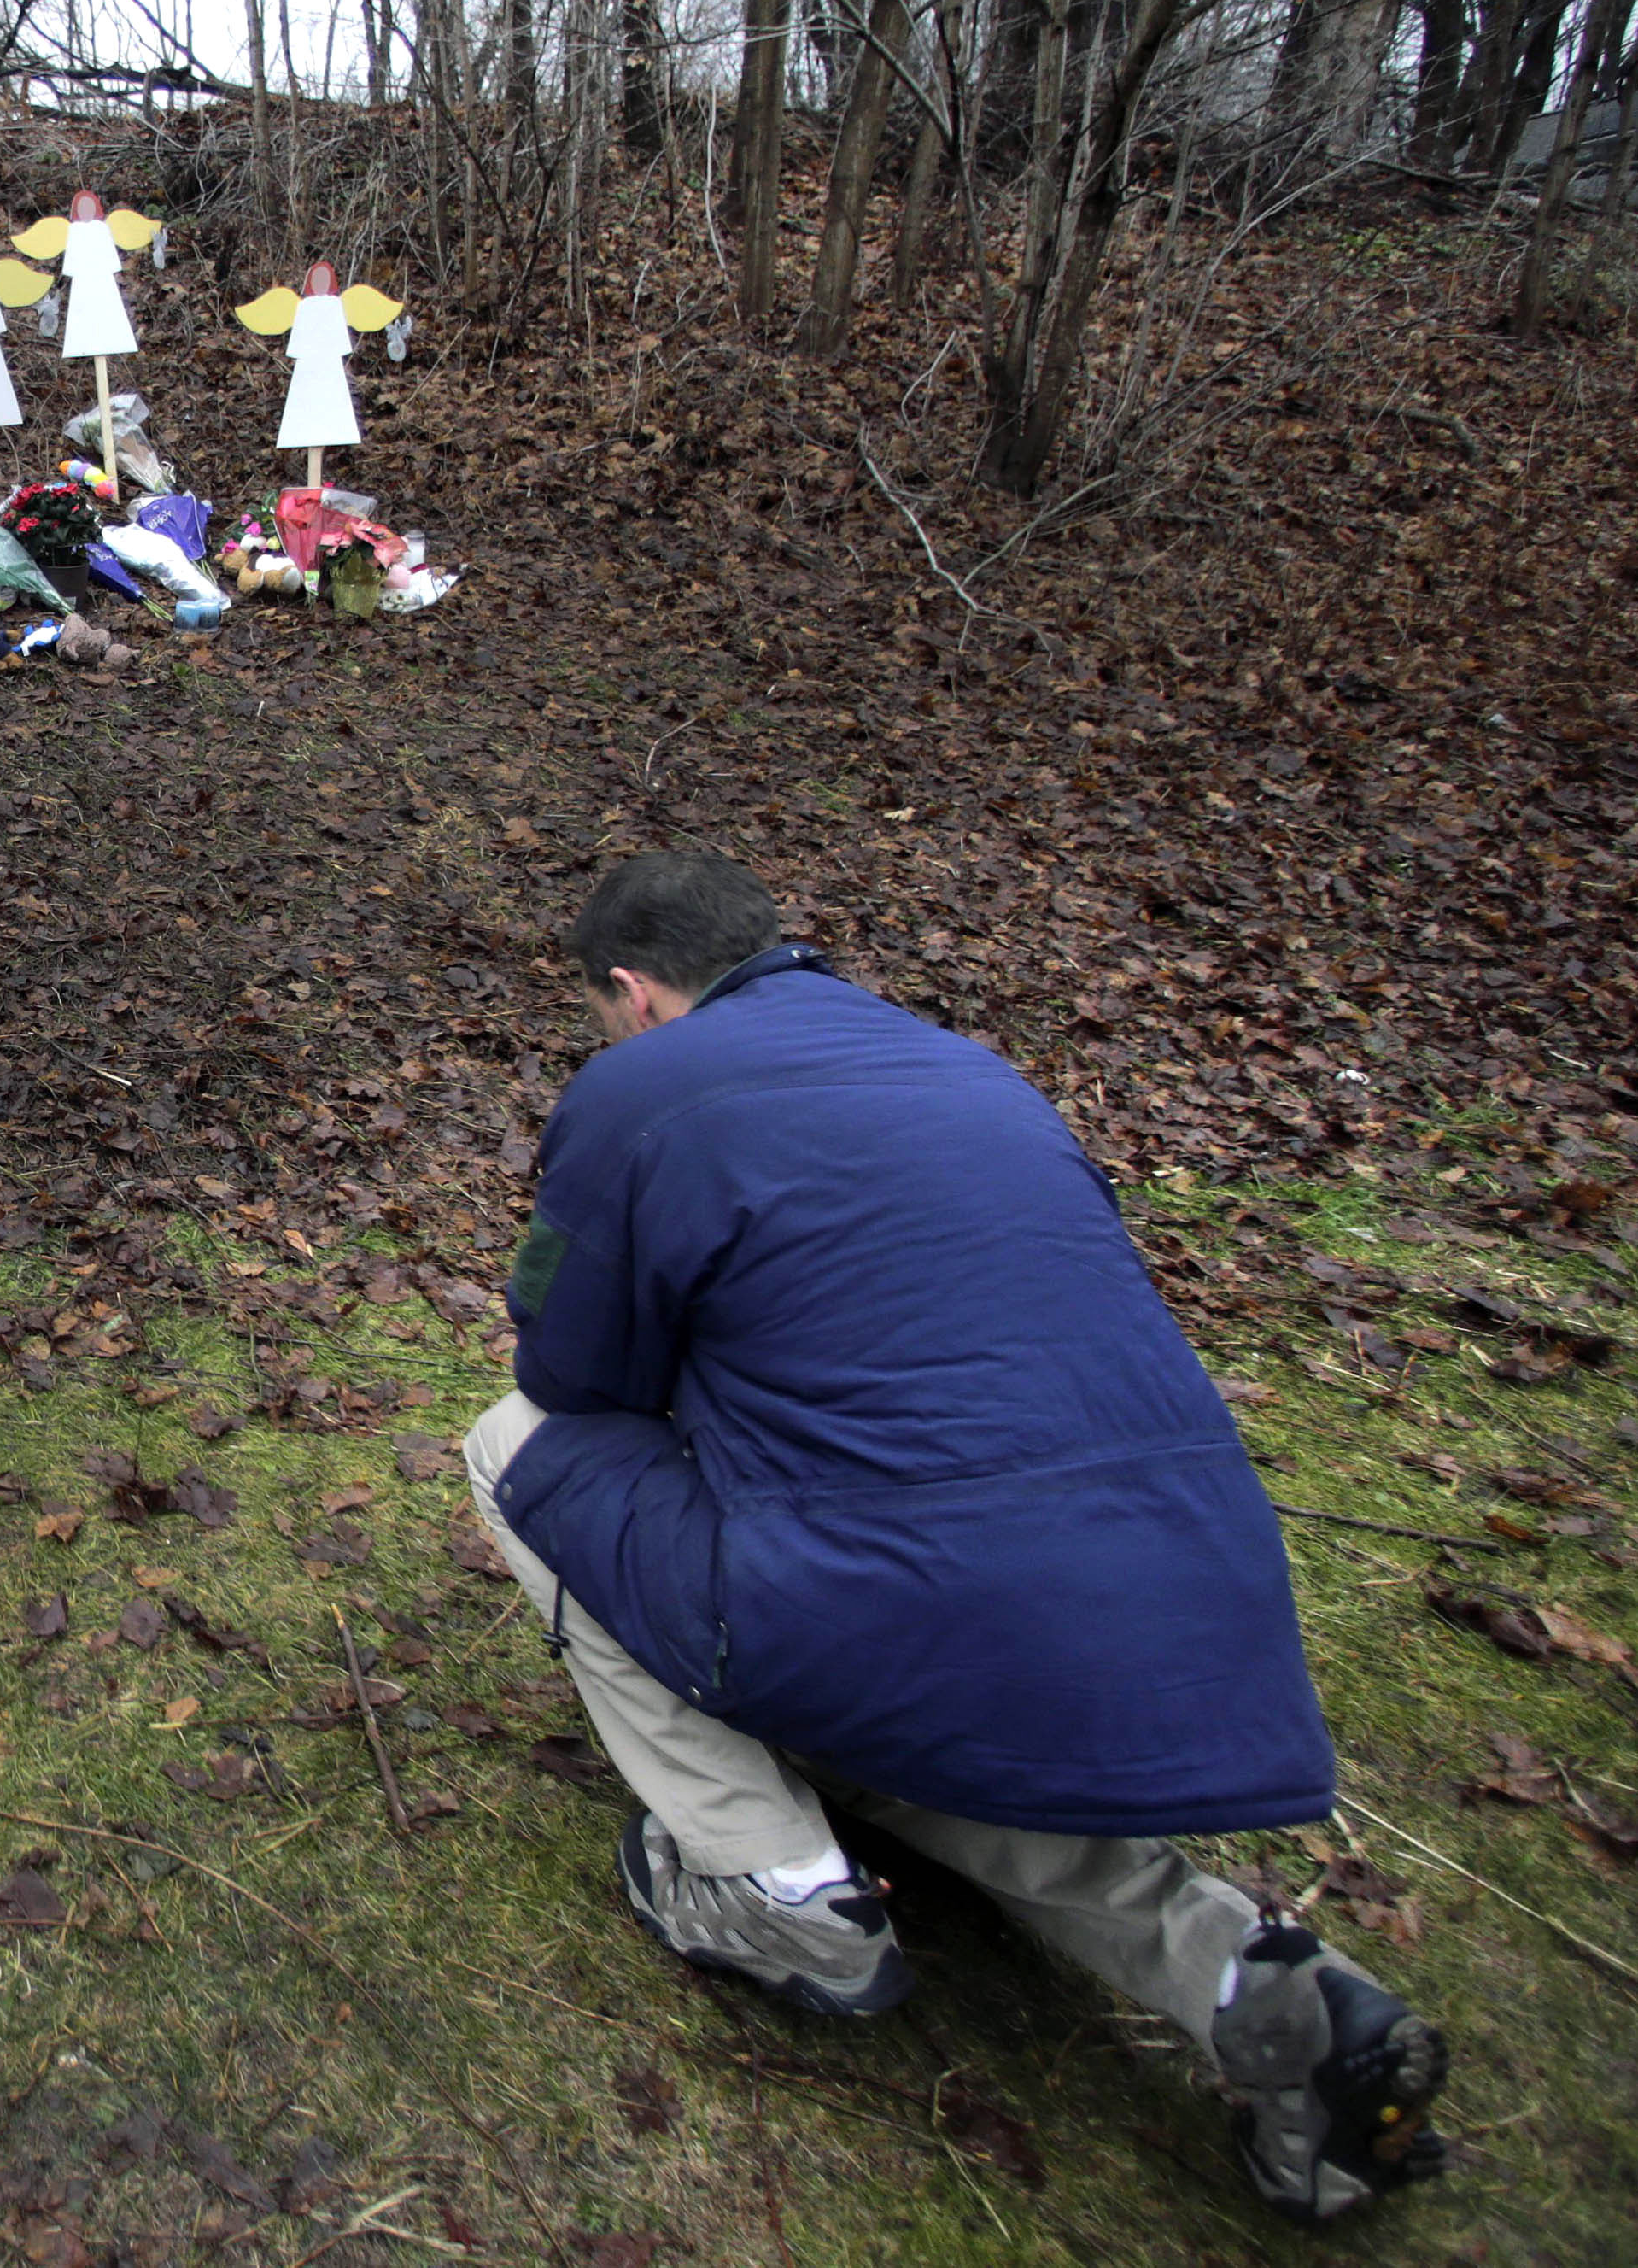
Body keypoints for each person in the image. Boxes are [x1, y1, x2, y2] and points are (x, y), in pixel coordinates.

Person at [469, 851, 1448, 2224]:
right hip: (1172, 1602)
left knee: (513, 1445)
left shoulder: (638, 1087)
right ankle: (1252, 1980)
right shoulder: (969, 1068)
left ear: (632, 993)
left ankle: (772, 1882)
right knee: (936, 1709)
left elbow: (576, 1377)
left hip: (888, 1591)